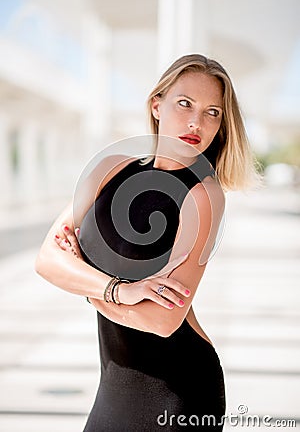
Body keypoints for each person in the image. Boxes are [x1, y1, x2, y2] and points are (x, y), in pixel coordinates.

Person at [35, 54, 259, 431]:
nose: (195, 122)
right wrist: (120, 292)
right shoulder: (113, 167)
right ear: (157, 105)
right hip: (114, 380)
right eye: (184, 103)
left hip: (177, 390)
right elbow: (47, 259)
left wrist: (88, 286)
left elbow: (163, 320)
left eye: (212, 112)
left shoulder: (203, 195)